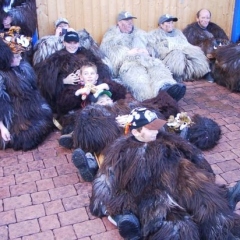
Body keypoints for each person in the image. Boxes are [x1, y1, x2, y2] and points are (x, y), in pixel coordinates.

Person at [87, 107, 240, 240]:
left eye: (156, 126)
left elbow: (194, 154)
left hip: (182, 180)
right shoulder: (121, 150)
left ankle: (225, 222)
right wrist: (102, 204)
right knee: (174, 226)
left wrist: (207, 176)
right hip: (153, 193)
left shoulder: (167, 138)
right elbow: (106, 176)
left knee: (209, 206)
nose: (156, 130)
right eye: (150, 128)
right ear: (136, 131)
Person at [34, 30, 126, 117]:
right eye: (69, 43)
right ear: (64, 43)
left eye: (75, 43)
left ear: (78, 43)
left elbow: (101, 69)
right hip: (71, 92)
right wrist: (64, 81)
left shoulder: (87, 54)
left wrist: (100, 83)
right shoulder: (56, 59)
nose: (72, 45)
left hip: (93, 87)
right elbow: (45, 80)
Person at [100, 11, 186, 102]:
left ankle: (167, 86)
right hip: (128, 64)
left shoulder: (141, 34)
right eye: (126, 20)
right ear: (119, 23)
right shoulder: (111, 36)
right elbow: (109, 52)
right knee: (139, 78)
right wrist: (128, 53)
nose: (130, 22)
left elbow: (153, 46)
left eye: (131, 20)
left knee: (158, 68)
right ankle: (152, 98)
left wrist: (148, 51)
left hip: (146, 59)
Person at [0, 30, 53, 151]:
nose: (20, 58)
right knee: (27, 137)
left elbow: (34, 89)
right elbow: (1, 105)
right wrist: (3, 128)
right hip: (15, 116)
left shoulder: (23, 67)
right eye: (16, 56)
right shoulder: (2, 76)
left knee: (47, 118)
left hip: (31, 108)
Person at [148, 14, 212, 82]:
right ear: (161, 25)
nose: (171, 24)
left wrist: (190, 50)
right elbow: (154, 50)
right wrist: (168, 51)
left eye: (172, 22)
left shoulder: (178, 32)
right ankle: (176, 76)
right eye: (168, 22)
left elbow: (186, 44)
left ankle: (205, 72)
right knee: (176, 54)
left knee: (197, 52)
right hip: (168, 58)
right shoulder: (154, 35)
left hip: (184, 53)